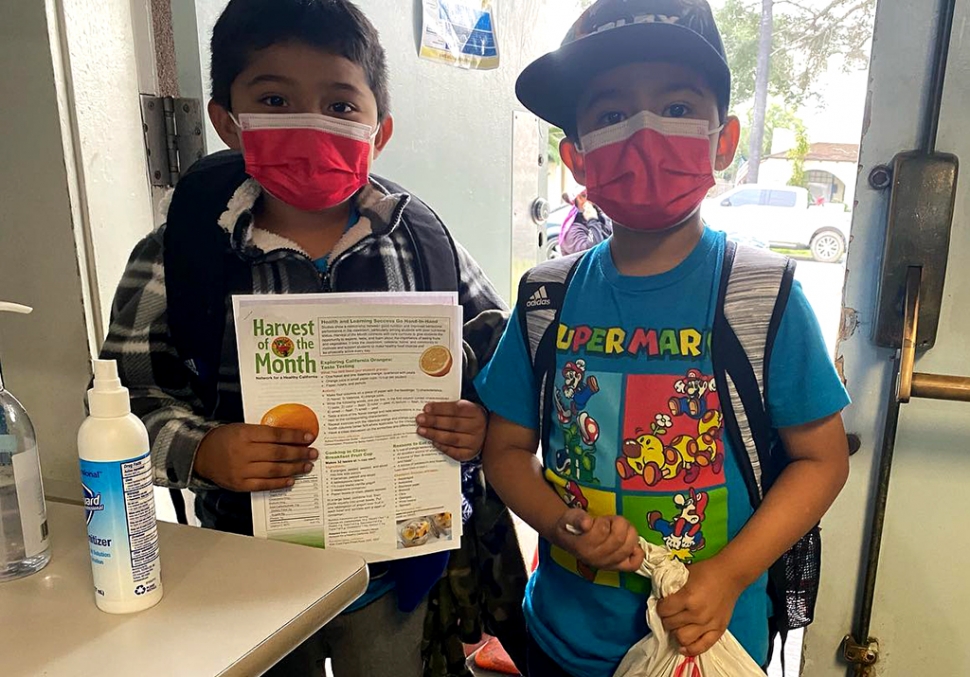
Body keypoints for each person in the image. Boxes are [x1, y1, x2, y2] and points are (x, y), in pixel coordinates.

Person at [98, 1, 525, 675]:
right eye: (274, 98)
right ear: (226, 122)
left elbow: (505, 356)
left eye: (340, 103)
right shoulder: (180, 255)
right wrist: (204, 449)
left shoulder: (424, 242)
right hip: (248, 573)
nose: (310, 122)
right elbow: (121, 405)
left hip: (395, 573)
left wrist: (479, 418)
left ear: (378, 130)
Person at [475, 1, 851, 676]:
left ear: (725, 140)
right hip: (562, 638)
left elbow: (822, 460)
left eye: (677, 107)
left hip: (708, 643)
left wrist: (730, 574)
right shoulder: (545, 297)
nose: (644, 133)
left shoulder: (762, 296)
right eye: (610, 114)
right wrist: (562, 524)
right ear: (576, 159)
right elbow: (504, 450)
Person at [559, 189, 613, 255]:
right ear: (580, 198)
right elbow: (593, 253)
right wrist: (592, 220)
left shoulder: (602, 219)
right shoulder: (572, 230)